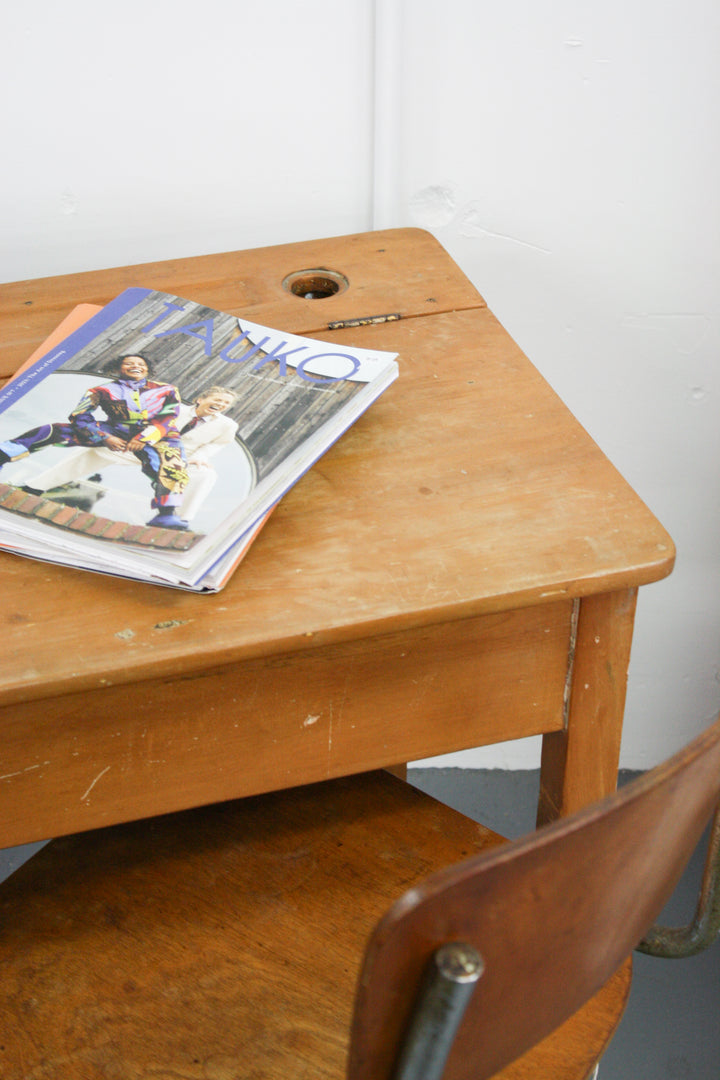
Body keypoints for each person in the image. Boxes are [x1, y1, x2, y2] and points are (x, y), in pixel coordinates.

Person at [0, 354, 190, 529]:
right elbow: (79, 415)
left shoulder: (167, 390)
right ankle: (4, 454)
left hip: (161, 435)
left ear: (148, 369)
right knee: (52, 430)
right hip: (115, 429)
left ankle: (166, 515)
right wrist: (104, 437)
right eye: (129, 363)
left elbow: (168, 417)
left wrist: (144, 438)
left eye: (141, 364)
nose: (135, 366)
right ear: (118, 368)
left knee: (172, 465)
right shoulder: (101, 390)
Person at [13, 384, 239, 524]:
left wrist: (202, 457)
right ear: (201, 399)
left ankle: (179, 519)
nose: (220, 404)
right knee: (91, 455)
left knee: (206, 475)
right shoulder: (173, 408)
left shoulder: (227, 425)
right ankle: (34, 487)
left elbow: (217, 444)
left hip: (177, 458)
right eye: (217, 399)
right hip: (139, 447)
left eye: (226, 403)